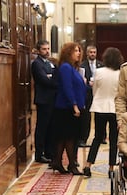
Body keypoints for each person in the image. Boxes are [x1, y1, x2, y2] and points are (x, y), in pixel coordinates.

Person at [82, 47, 123, 178]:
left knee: (97, 137)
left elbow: (94, 90)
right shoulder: (120, 73)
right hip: (114, 108)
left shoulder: (99, 72)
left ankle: (88, 165)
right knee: (113, 139)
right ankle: (111, 168)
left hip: (100, 107)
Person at [51, 42, 86, 175]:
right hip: (67, 108)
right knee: (70, 137)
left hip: (70, 107)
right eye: (76, 51)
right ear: (68, 52)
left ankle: (58, 162)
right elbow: (67, 88)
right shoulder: (65, 67)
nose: (78, 53)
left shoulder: (72, 68)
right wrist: (75, 105)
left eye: (79, 51)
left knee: (65, 137)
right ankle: (71, 165)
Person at [31, 40, 57, 164]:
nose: (47, 51)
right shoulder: (37, 63)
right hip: (43, 100)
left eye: (48, 49)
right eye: (44, 49)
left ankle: (49, 152)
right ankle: (39, 153)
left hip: (52, 99)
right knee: (42, 128)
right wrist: (52, 79)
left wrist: (51, 77)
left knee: (51, 127)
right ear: (38, 50)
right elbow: (44, 80)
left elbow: (54, 76)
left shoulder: (49, 63)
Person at [79, 45, 104, 148]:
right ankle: (83, 138)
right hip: (87, 94)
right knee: (86, 117)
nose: (92, 54)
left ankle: (101, 137)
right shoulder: (82, 65)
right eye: (91, 52)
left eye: (94, 52)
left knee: (101, 115)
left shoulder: (101, 65)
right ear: (87, 53)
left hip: (99, 93)